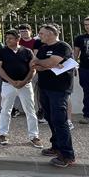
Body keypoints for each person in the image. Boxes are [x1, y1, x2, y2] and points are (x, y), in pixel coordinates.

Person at [31, 24, 76, 168]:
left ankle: (67, 155)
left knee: (60, 120)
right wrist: (46, 65)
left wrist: (45, 64)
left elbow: (51, 62)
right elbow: (34, 65)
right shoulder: (43, 48)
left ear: (51, 34)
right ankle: (56, 146)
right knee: (50, 118)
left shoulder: (62, 46)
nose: (39, 36)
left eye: (42, 33)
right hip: (44, 87)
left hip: (59, 88)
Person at [0, 29, 42, 148]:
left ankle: (34, 136)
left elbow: (33, 68)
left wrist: (25, 81)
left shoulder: (27, 51)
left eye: (10, 38)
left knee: (30, 111)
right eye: (6, 38)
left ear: (17, 39)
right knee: (5, 109)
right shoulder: (2, 51)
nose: (7, 40)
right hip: (8, 85)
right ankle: (3, 134)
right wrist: (11, 81)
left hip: (25, 85)